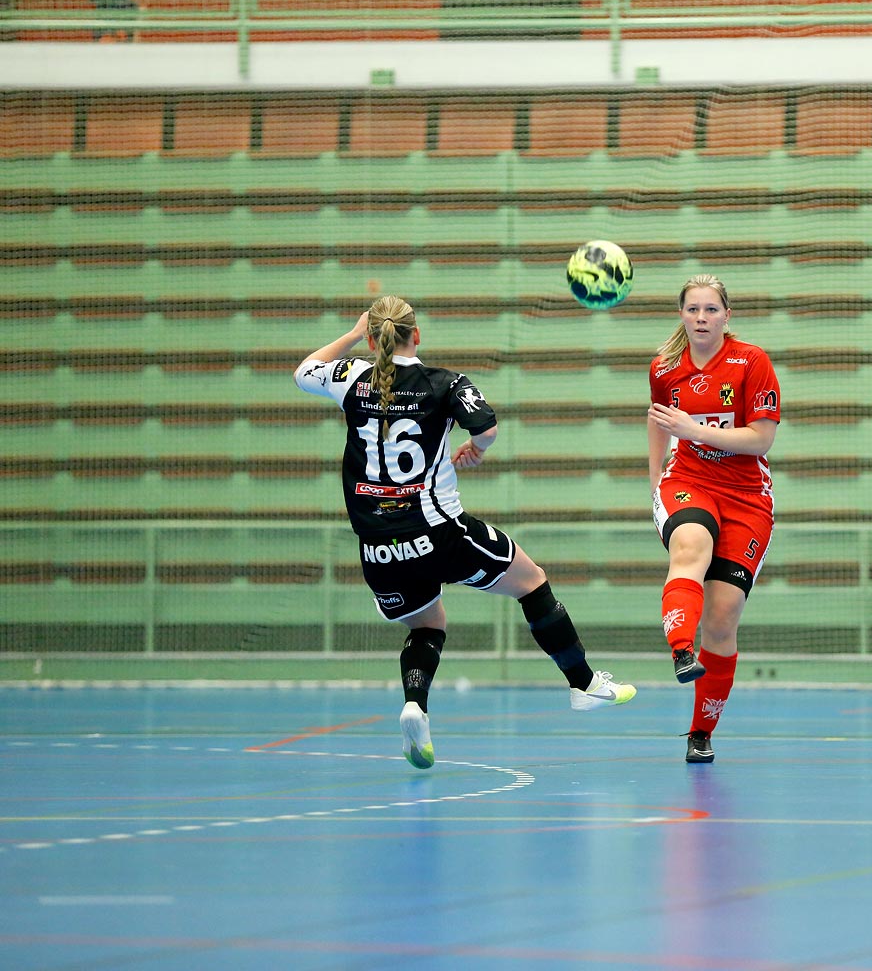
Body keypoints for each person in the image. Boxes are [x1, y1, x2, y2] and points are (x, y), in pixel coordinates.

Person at [295, 296, 636, 770]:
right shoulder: (446, 383)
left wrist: (352, 336)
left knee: (427, 625)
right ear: (418, 335)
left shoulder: (351, 377)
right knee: (532, 581)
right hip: (440, 532)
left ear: (373, 339)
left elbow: (304, 370)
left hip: (377, 547)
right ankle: (583, 684)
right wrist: (474, 448)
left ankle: (416, 705)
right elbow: (488, 426)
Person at [647, 275, 781, 763]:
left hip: (747, 496)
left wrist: (694, 428)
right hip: (690, 481)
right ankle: (681, 650)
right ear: (681, 315)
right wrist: (654, 477)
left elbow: (761, 439)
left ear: (727, 315)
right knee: (690, 548)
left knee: (722, 621)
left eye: (710, 310)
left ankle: (701, 733)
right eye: (692, 310)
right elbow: (657, 417)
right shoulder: (665, 367)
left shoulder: (752, 362)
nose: (701, 318)